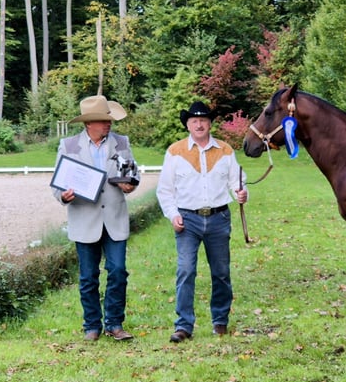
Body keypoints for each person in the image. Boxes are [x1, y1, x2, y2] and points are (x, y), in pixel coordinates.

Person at [156, 101, 248, 343]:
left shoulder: (226, 150)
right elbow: (165, 191)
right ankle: (183, 325)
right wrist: (172, 214)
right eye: (194, 120)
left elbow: (236, 181)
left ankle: (220, 321)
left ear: (210, 123)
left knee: (221, 273)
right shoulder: (175, 152)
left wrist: (241, 192)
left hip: (219, 218)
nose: (199, 124)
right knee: (186, 271)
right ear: (187, 124)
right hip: (187, 220)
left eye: (204, 120)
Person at [52, 95, 140, 341]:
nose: (108, 123)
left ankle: (114, 323)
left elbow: (133, 173)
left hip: (114, 218)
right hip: (84, 219)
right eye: (103, 120)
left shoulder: (122, 142)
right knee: (88, 277)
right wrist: (65, 196)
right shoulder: (69, 146)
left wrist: (131, 185)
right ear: (88, 124)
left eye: (109, 119)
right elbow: (58, 185)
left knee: (118, 271)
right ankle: (92, 325)